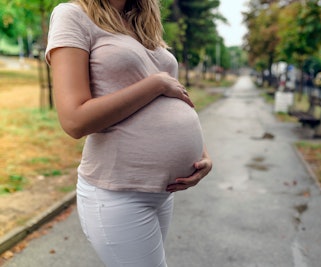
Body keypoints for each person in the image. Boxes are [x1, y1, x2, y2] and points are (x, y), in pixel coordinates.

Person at [45, 0, 212, 266]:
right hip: (118, 192)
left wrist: (201, 153)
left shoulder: (139, 22)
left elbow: (177, 96)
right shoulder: (73, 15)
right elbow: (74, 120)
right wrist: (155, 84)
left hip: (161, 192)